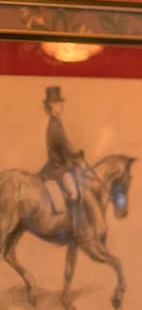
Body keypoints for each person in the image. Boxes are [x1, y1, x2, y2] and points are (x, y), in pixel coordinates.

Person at [40, 85, 86, 220]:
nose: (61, 106)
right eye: (58, 103)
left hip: (60, 163)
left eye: (61, 103)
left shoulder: (56, 122)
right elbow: (64, 145)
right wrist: (77, 157)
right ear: (52, 105)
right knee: (74, 193)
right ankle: (72, 226)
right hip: (57, 167)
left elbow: (65, 145)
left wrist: (75, 156)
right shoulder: (54, 124)